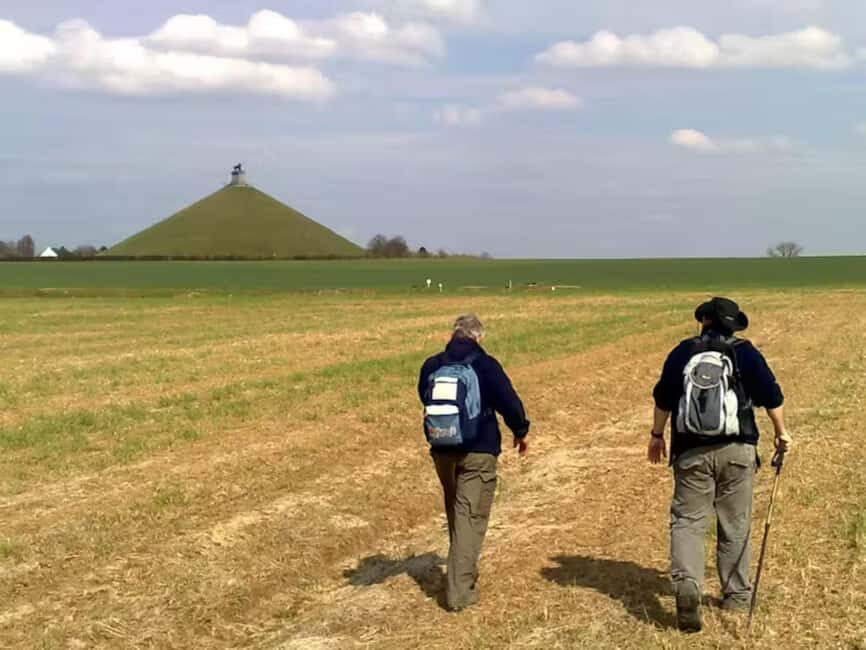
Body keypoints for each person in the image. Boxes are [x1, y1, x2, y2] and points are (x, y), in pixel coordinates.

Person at [648, 297, 792, 632]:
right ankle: (737, 596)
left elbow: (663, 397)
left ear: (704, 321)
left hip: (690, 452)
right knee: (735, 522)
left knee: (688, 521)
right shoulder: (745, 352)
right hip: (737, 449)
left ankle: (687, 583)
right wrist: (781, 433)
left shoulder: (683, 352)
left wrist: (657, 435)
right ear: (732, 324)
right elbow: (772, 395)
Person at [418, 313, 530, 611]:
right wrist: (521, 431)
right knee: (471, 517)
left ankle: (461, 570)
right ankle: (459, 593)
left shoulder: (433, 365)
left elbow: (424, 397)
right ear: (478, 337)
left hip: (441, 449)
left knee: (457, 511)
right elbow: (509, 402)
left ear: (453, 334)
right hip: (478, 451)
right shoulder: (484, 365)